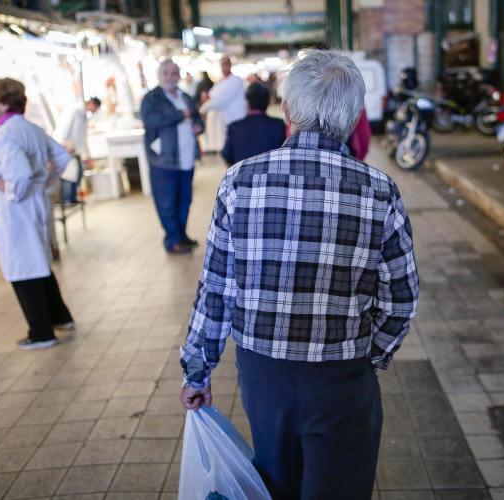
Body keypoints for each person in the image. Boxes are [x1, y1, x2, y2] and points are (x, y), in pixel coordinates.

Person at [179, 50, 420, 499]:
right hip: (343, 376)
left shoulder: (240, 181)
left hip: (264, 375)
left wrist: (197, 371)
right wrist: (371, 356)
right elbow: (401, 299)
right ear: (354, 117)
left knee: (277, 484)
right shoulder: (379, 191)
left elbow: (217, 289)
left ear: (287, 111)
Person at [0, 78, 75, 350]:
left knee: (23, 268)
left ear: (4, 103)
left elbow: (20, 173)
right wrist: (45, 183)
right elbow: (62, 157)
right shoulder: (31, 128)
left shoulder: (5, 134)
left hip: (16, 209)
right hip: (35, 203)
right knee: (38, 261)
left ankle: (41, 332)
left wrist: (12, 191)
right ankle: (61, 317)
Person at [140, 59, 204, 254]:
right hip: (164, 160)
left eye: (174, 73)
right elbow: (149, 120)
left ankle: (181, 235)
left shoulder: (185, 97)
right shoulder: (152, 98)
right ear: (159, 75)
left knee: (185, 200)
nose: (170, 77)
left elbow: (197, 118)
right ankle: (172, 240)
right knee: (167, 202)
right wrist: (180, 115)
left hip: (186, 159)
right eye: (166, 73)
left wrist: (199, 126)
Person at [221, 83, 285, 166]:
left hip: (241, 173)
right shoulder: (278, 125)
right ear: (267, 102)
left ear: (247, 102)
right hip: (271, 173)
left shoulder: (234, 127)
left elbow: (227, 155)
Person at [53, 97, 101, 203]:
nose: (95, 111)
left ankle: (72, 198)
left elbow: (82, 137)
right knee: (68, 175)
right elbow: (64, 128)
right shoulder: (74, 111)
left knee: (77, 173)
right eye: (96, 108)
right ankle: (67, 199)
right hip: (65, 147)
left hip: (74, 150)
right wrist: (64, 142)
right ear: (91, 103)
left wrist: (88, 155)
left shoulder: (83, 115)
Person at [199, 56, 246, 153]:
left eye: (226, 64)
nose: (224, 67)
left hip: (233, 120)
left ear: (230, 65)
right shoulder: (219, 82)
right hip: (220, 122)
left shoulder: (236, 81)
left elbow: (220, 100)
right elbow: (212, 96)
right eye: (222, 65)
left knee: (233, 149)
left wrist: (203, 109)